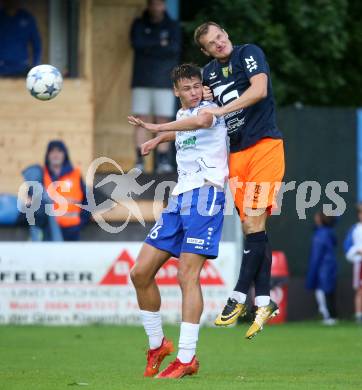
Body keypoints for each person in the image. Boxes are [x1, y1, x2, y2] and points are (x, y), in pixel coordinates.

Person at [128, 63, 228, 378]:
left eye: (197, 85)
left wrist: (155, 130)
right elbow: (184, 125)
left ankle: (186, 357)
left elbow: (201, 121)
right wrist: (157, 141)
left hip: (206, 194)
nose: (194, 92)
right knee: (140, 273)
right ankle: (158, 345)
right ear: (176, 91)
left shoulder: (211, 107)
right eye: (187, 88)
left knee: (187, 275)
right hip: (180, 197)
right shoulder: (183, 116)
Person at [193, 22, 285, 339]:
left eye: (220, 36)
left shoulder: (249, 53)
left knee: (254, 225)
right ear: (205, 51)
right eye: (211, 43)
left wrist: (221, 109)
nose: (219, 43)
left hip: (264, 146)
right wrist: (203, 98)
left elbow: (259, 90)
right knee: (253, 229)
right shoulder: (207, 74)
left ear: (227, 35)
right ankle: (263, 300)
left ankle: (238, 296)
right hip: (236, 155)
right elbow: (199, 111)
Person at [130, 0, 181, 173]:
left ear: (164, 5)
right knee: (140, 121)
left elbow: (174, 49)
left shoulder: (172, 26)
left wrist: (149, 45)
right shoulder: (139, 24)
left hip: (164, 81)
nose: (156, 7)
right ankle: (139, 161)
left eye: (159, 4)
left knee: (163, 121)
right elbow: (137, 44)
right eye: (153, 4)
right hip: (141, 79)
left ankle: (163, 161)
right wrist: (160, 44)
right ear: (148, 5)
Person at [43, 140, 89, 241]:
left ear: (65, 154)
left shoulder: (75, 174)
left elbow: (87, 200)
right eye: (52, 151)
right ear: (48, 155)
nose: (55, 155)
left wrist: (82, 221)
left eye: (59, 151)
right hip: (48, 231)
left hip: (72, 230)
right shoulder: (41, 175)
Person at [306, 211, 338, 325]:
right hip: (328, 266)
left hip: (323, 267)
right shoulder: (325, 232)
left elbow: (317, 254)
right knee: (327, 291)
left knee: (324, 291)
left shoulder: (321, 234)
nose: (315, 218)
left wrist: (313, 271)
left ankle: (328, 316)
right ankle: (330, 316)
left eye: (317, 216)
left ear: (321, 219)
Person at [0, 0, 41, 77]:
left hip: (21, 68)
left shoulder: (27, 18)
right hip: (1, 67)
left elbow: (37, 45)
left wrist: (36, 67)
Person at [344, 204, 362, 324]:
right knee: (359, 290)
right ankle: (359, 315)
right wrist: (356, 251)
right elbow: (348, 248)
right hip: (359, 264)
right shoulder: (355, 229)